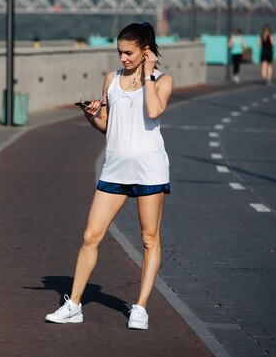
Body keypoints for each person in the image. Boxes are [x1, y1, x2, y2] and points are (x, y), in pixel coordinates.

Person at [45, 22, 173, 330]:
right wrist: (90, 115)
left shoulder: (162, 80)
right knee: (91, 236)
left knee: (149, 238)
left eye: (129, 53)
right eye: (119, 52)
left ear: (145, 51)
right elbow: (107, 126)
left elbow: (154, 111)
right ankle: (74, 304)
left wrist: (148, 75)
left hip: (149, 169)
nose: (123, 59)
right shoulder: (111, 79)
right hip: (115, 168)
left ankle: (140, 307)